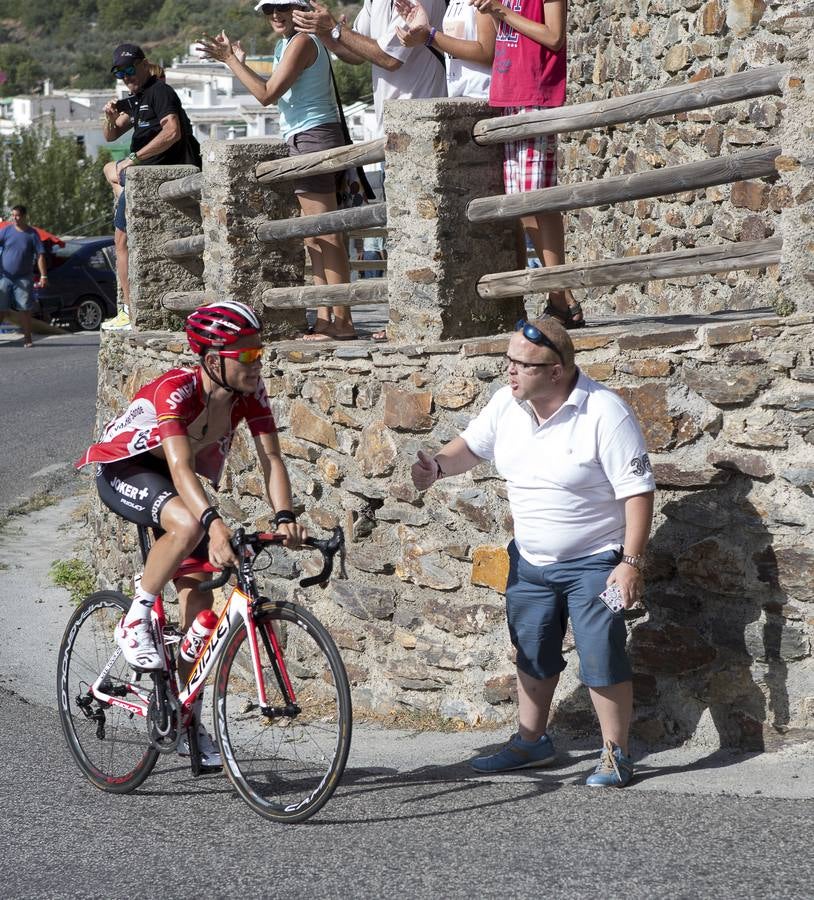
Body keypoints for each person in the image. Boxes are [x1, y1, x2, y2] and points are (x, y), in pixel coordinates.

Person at [411, 318, 655, 787]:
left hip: (596, 561)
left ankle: (615, 754)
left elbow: (638, 492)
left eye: (523, 365)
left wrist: (629, 563)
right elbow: (472, 448)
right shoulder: (508, 404)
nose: (510, 372)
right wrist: (438, 466)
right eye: (509, 361)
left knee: (601, 655)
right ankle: (531, 743)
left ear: (557, 370)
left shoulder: (606, 412)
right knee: (532, 652)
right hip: (530, 561)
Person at [75, 301, 307, 767]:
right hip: (128, 469)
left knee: (198, 610)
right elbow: (180, 468)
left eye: (257, 352)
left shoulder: (251, 394)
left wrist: (284, 516)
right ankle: (135, 616)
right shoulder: (176, 391)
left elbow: (272, 460)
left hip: (180, 487)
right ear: (211, 359)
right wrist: (214, 523)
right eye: (243, 355)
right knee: (187, 522)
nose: (255, 362)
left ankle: (185, 721)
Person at [198, 1, 358, 342]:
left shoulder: (301, 41)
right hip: (303, 137)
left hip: (315, 135)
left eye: (282, 7)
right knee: (312, 234)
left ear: (300, 9)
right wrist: (239, 63)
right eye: (269, 9)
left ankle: (341, 320)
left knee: (325, 231)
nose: (275, 15)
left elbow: (267, 95)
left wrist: (229, 62)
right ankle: (325, 317)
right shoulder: (286, 44)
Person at [101, 44, 201, 332]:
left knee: (121, 242)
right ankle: (129, 311)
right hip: (140, 176)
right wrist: (109, 116)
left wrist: (134, 157)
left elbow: (172, 132)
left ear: (144, 65)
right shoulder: (137, 98)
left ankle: (129, 312)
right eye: (120, 73)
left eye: (130, 70)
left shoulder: (160, 92)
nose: (126, 77)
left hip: (151, 175)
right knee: (111, 172)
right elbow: (110, 135)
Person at [292, 0, 449, 140]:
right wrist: (325, 33)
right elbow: (356, 53)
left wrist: (335, 29)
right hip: (388, 127)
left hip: (422, 122)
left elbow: (390, 59)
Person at [394, 0, 495, 100]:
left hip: (482, 96)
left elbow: (486, 52)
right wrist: (424, 33)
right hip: (458, 97)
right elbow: (453, 55)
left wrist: (431, 36)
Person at [102, 64, 167, 203]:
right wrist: (109, 119)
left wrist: (133, 158)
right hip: (146, 161)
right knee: (109, 169)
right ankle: (126, 202)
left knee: (111, 170)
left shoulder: (155, 103)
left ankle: (127, 204)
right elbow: (110, 136)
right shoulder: (142, 105)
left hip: (151, 162)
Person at [0, 205, 48, 348]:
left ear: (25, 216)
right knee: (1, 308)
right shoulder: (6, 231)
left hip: (24, 277)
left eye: (18, 215)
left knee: (24, 309)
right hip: (5, 276)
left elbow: (40, 255)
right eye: (13, 215)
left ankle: (27, 338)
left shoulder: (32, 234)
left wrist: (43, 276)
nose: (15, 218)